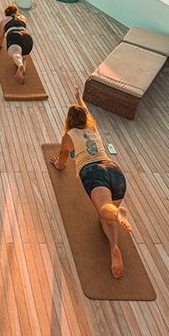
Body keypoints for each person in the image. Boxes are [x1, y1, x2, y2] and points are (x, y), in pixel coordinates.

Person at [49, 88, 133, 279]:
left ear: (68, 121)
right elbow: (85, 111)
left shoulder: (68, 136)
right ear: (84, 120)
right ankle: (114, 247)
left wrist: (60, 166)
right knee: (105, 216)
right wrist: (79, 98)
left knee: (105, 209)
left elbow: (63, 158)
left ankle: (119, 213)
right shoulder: (92, 128)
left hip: (94, 173)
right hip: (114, 171)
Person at [0, 3, 33, 84]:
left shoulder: (4, 21)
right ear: (16, 11)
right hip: (27, 37)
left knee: (16, 53)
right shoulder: (22, 18)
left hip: (14, 36)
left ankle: (20, 65)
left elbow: (1, 36)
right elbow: (18, 16)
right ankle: (22, 69)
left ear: (6, 13)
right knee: (23, 57)